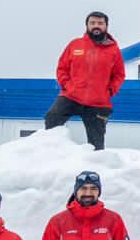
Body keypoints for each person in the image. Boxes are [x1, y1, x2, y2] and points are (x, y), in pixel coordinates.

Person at [44, 11, 125, 149]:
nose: (96, 26)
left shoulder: (113, 50)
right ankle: (50, 156)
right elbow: (62, 68)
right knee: (51, 119)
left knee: (96, 144)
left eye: (100, 23)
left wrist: (109, 91)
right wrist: (67, 85)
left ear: (106, 26)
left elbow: (119, 75)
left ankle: (94, 169)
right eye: (92, 23)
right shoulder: (75, 45)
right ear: (87, 25)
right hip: (71, 96)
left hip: (98, 102)